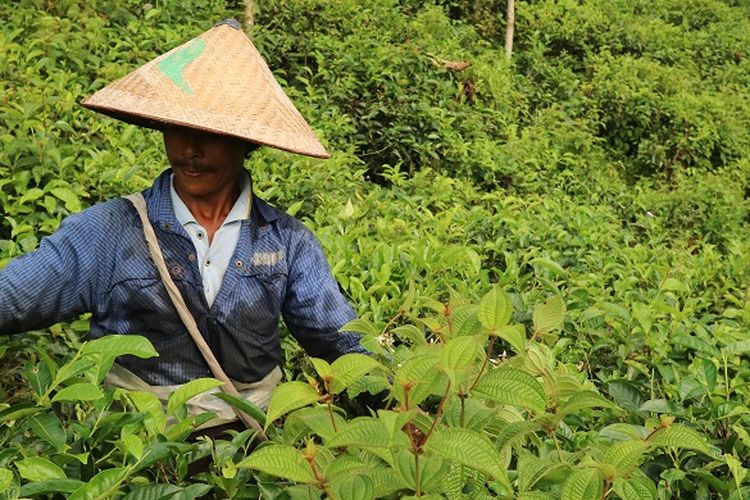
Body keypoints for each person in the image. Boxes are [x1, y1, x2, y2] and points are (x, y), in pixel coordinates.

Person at [0, 19, 365, 427]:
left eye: (210, 134)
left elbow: (338, 340)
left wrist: (408, 395)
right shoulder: (109, 231)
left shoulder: (287, 242)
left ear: (247, 141)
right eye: (177, 130)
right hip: (138, 455)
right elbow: (14, 296)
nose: (190, 149)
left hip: (254, 454)